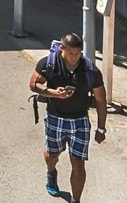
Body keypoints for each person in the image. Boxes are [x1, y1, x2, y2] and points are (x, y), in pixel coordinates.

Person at [30, 33, 108, 200]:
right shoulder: (49, 64)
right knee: (52, 155)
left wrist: (101, 129)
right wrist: (52, 93)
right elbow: (33, 84)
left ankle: (76, 199)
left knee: (78, 164)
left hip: (80, 121)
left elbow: (101, 101)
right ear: (61, 49)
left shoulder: (90, 70)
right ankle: (51, 173)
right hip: (55, 118)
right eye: (71, 53)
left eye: (78, 53)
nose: (74, 57)